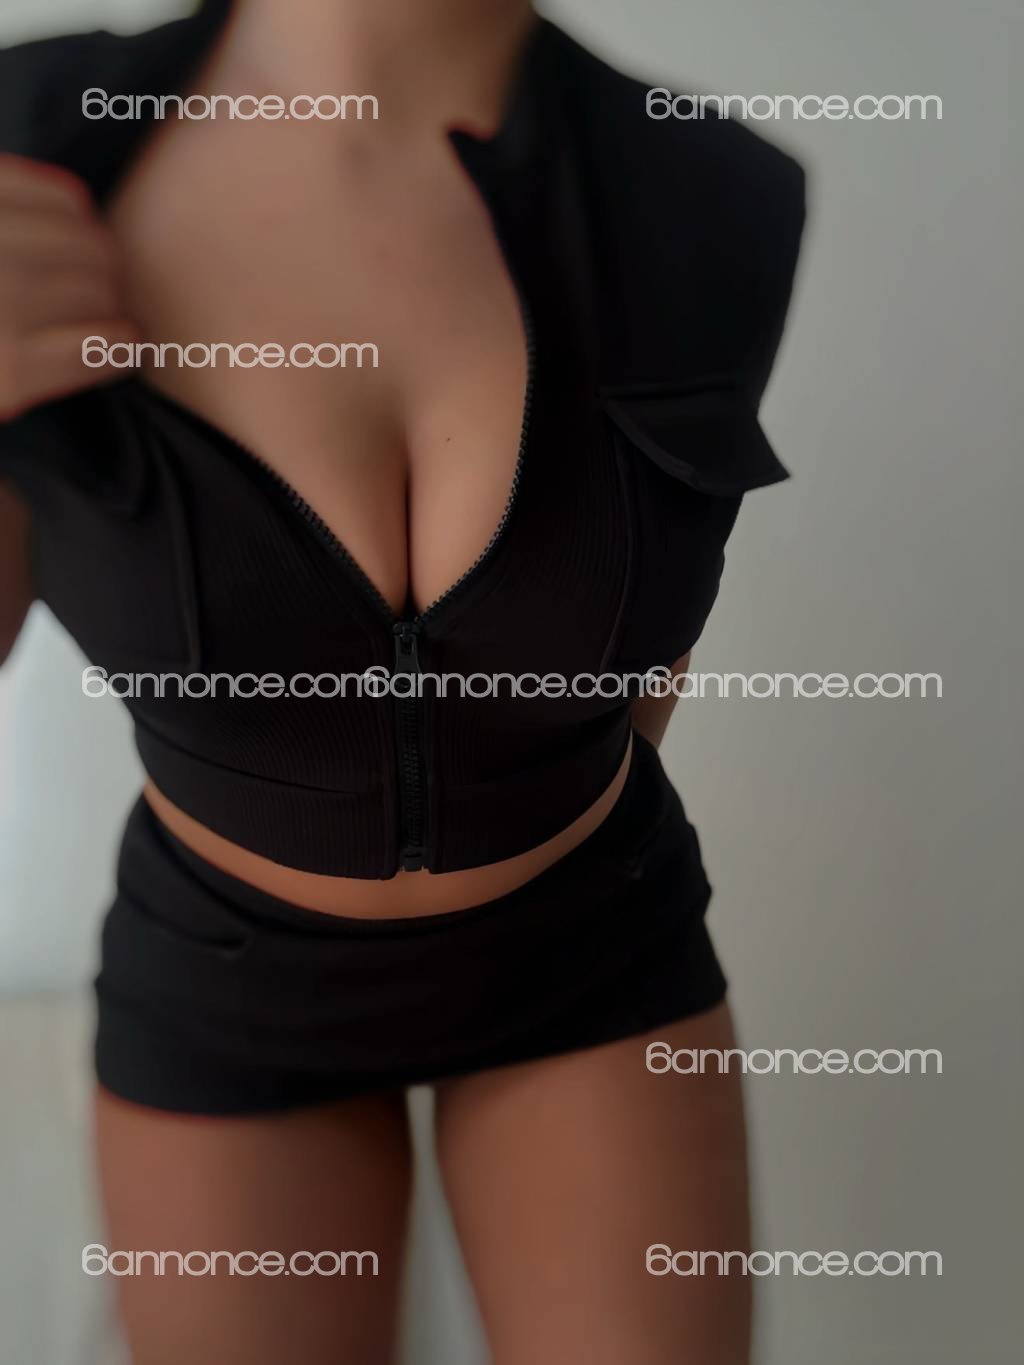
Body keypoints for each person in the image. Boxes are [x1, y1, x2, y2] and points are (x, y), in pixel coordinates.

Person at [0, 1, 806, 1360]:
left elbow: (643, 646)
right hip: (227, 983)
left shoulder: (705, 192)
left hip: (594, 955)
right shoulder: (38, 152)